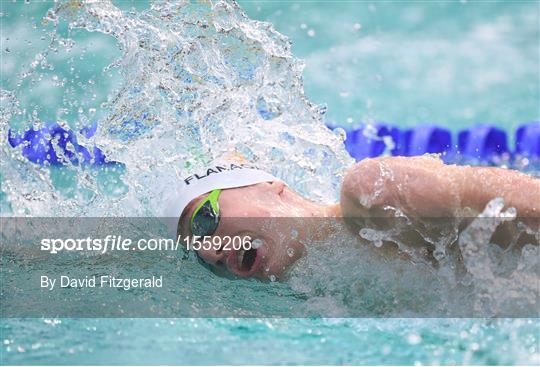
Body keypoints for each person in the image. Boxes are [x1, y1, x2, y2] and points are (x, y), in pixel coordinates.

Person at [163, 154, 540, 280]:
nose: (210, 252)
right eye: (197, 252)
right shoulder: (319, 300)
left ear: (270, 186)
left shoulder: (378, 197)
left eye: (203, 221)